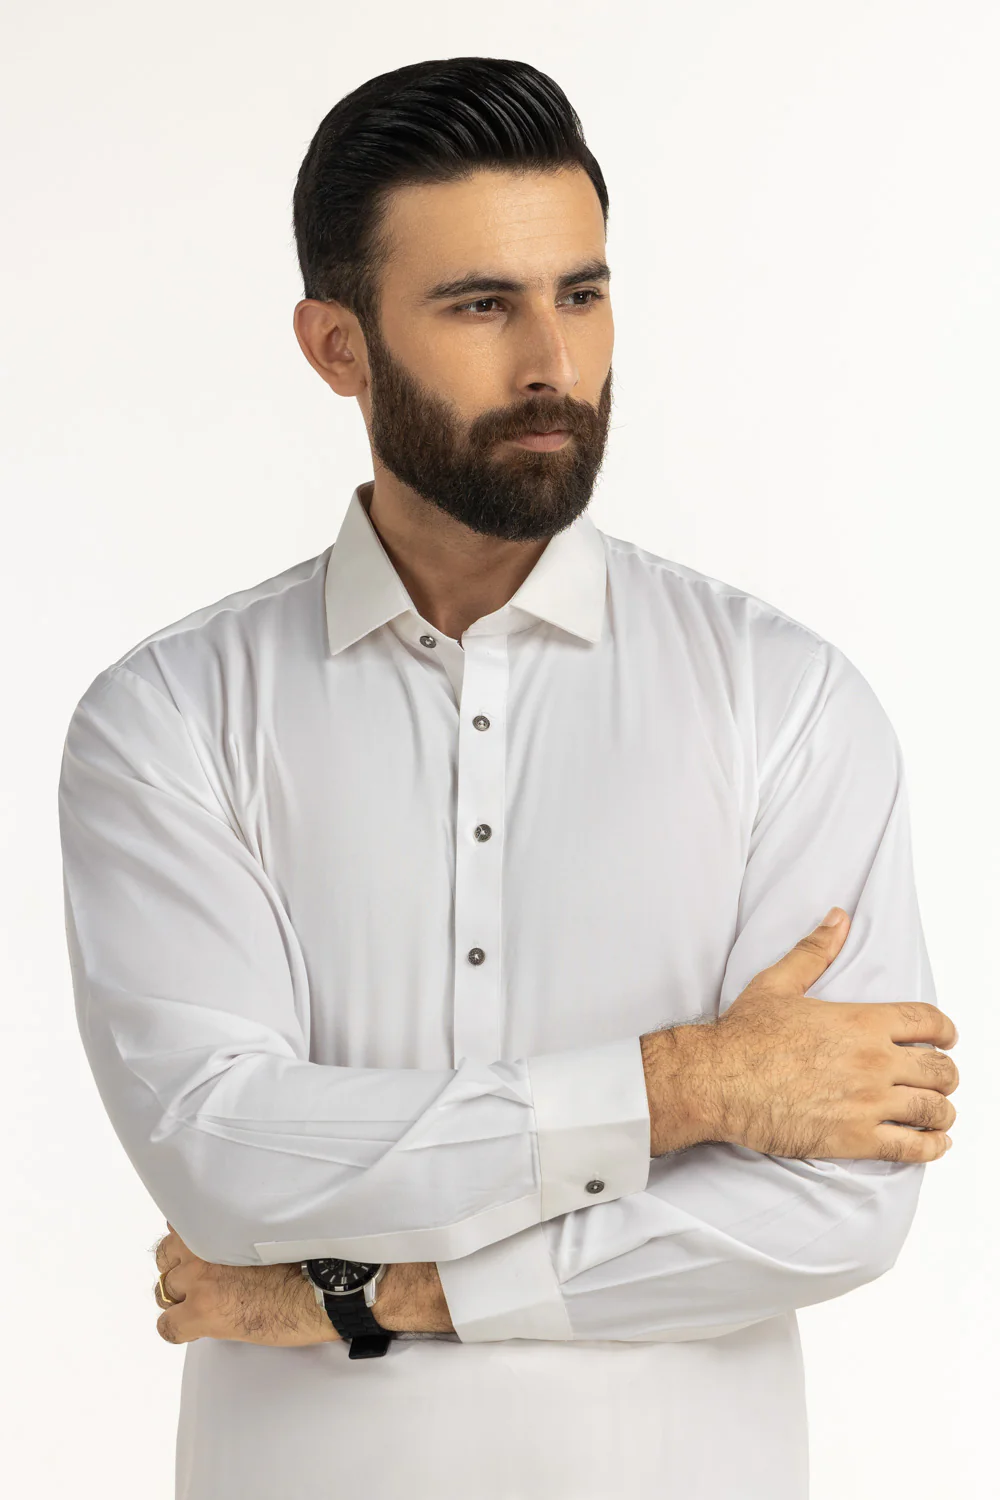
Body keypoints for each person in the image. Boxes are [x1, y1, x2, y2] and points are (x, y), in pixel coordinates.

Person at [57, 55, 959, 1500]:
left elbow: (837, 1207)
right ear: (338, 347)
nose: (553, 362)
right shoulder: (169, 717)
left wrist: (362, 1294)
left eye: (581, 295)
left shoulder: (785, 702)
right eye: (481, 305)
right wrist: (685, 1087)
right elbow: (222, 1157)